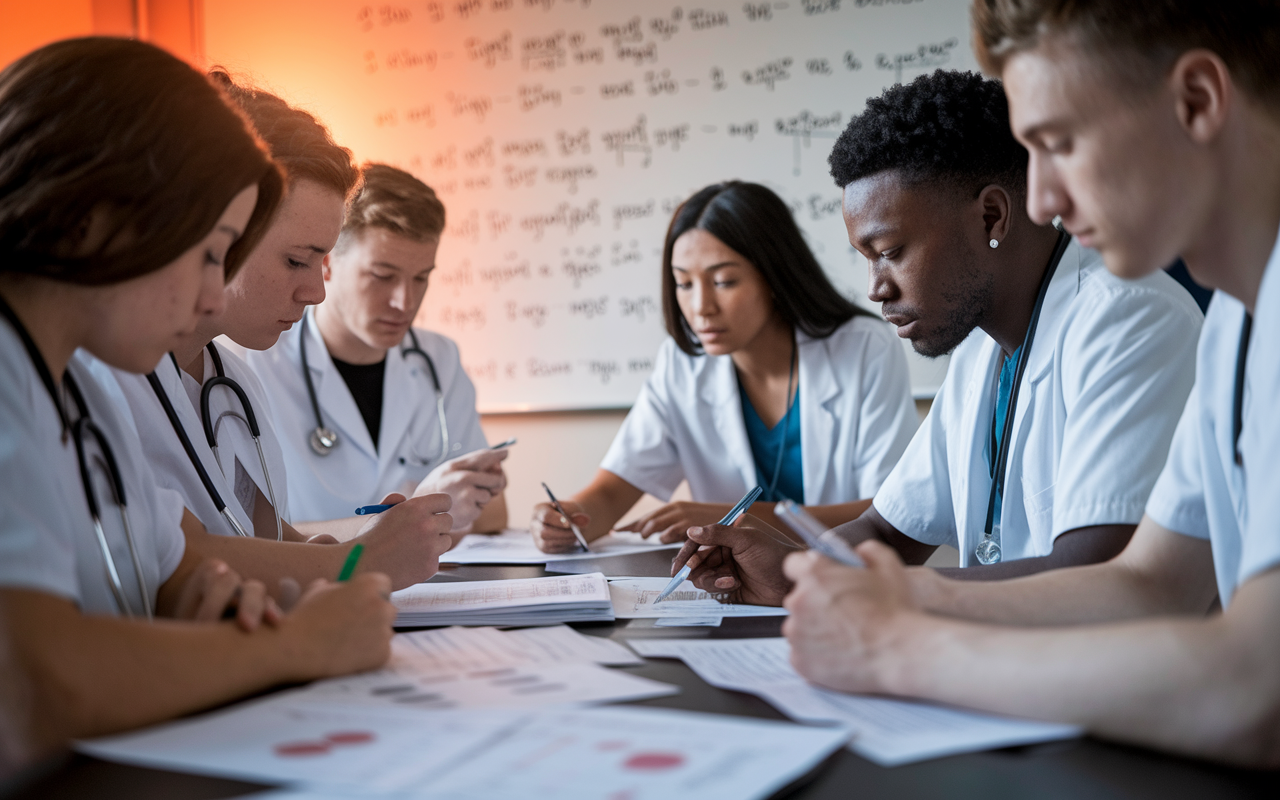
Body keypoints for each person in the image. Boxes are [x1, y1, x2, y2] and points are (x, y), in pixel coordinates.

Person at [781, 0, 1280, 766]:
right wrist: (889, 595)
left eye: (1059, 144)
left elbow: (1256, 693)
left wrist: (898, 648)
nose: (1041, 200)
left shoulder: (1155, 312)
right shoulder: (1239, 327)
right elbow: (1147, 584)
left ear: (1197, 102)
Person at [0, 37, 400, 748]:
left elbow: (171, 565)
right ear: (97, 214)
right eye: (212, 251)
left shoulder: (74, 392)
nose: (215, 292)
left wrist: (204, 608)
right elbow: (32, 681)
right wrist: (294, 646)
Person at [670, 70, 1203, 601]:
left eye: (890, 252)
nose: (876, 289)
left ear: (992, 216)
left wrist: (863, 589)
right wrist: (793, 573)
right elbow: (885, 531)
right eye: (867, 259)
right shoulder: (981, 346)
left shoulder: (1131, 319)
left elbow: (1093, 575)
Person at [95, 75, 456, 583]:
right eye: (295, 260)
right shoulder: (103, 375)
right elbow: (173, 555)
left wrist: (359, 541)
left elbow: (262, 536)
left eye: (321, 262)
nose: (316, 293)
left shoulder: (234, 384)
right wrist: (353, 563)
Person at [532, 181, 918, 552]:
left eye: (723, 281)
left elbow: (887, 515)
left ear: (772, 275)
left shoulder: (865, 348)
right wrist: (568, 519)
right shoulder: (683, 364)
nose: (701, 307)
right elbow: (612, 491)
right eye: (684, 284)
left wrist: (733, 518)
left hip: (844, 587)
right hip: (733, 594)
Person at [242, 163, 508, 536]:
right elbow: (250, 537)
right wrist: (411, 516)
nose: (405, 301)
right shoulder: (254, 363)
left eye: (421, 278)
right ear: (327, 264)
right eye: (382, 276)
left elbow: (494, 513)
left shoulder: (439, 359)